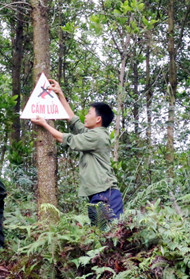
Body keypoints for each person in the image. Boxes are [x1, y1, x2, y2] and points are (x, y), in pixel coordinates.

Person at [31, 79, 123, 227]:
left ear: (98, 119)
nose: (85, 116)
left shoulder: (97, 136)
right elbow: (73, 121)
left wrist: (44, 124)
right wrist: (60, 94)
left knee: (111, 236)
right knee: (100, 235)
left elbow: (63, 138)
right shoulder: (94, 133)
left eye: (89, 113)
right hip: (98, 194)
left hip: (106, 194)